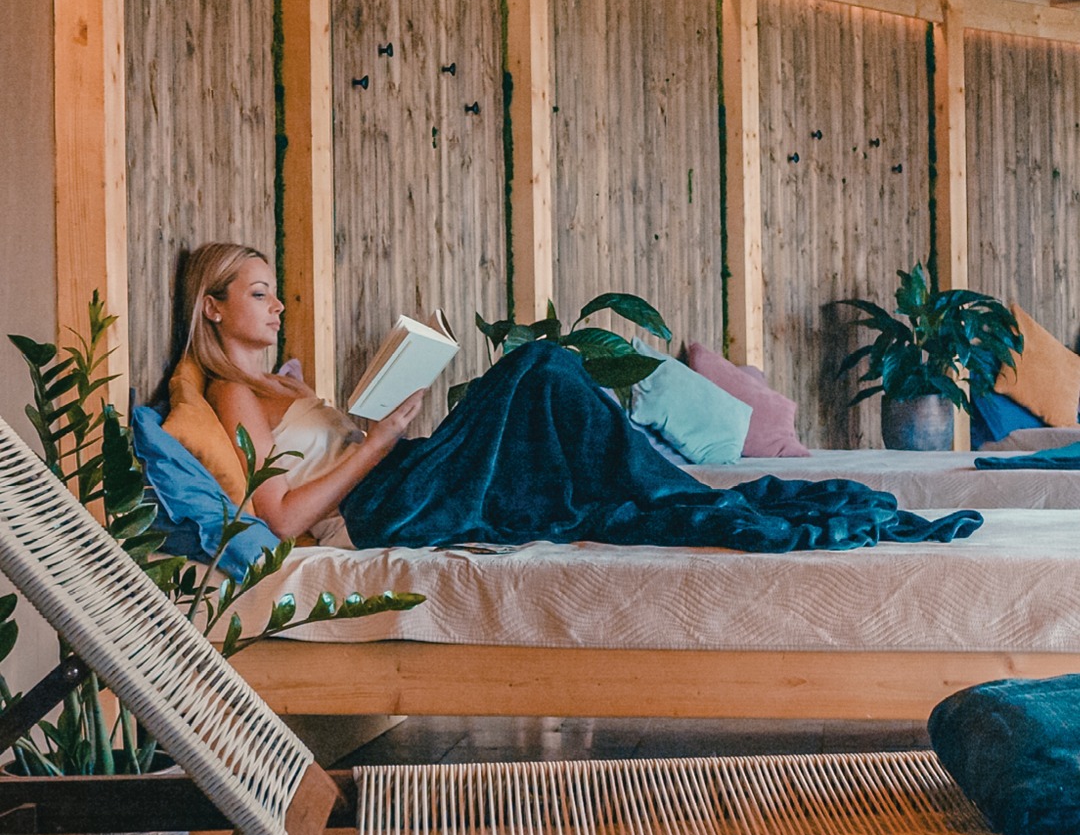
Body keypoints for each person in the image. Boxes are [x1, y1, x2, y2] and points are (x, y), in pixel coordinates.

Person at [177, 242, 983, 554]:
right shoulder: (228, 395)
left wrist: (339, 410)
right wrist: (380, 438)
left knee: (545, 375)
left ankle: (669, 493)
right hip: (381, 507)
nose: (276, 305)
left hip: (399, 474)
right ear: (212, 308)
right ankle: (674, 494)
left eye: (274, 291)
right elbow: (282, 519)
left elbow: (315, 454)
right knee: (538, 368)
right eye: (257, 293)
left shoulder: (271, 386)